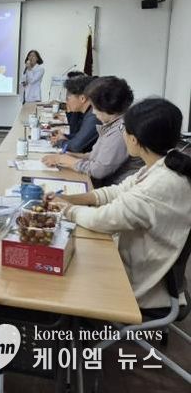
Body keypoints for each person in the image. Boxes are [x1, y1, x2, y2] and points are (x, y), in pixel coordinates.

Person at [48, 98, 191, 309]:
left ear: (133, 139)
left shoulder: (159, 185)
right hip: (140, 259)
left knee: (59, 275)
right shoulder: (162, 164)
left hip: (139, 283)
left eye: (124, 130)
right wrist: (68, 199)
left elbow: (101, 219)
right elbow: (115, 191)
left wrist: (66, 209)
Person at [43, 76, 143, 187]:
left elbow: (99, 170)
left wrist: (66, 160)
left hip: (115, 187)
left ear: (106, 107)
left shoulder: (120, 130)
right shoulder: (112, 123)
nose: (94, 112)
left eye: (95, 107)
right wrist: (73, 156)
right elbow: (95, 156)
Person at [50, 75, 100, 153]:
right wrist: (65, 136)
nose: (66, 102)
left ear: (82, 98)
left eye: (68, 98)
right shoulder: (89, 112)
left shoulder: (93, 115)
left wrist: (60, 142)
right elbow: (80, 135)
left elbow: (76, 146)